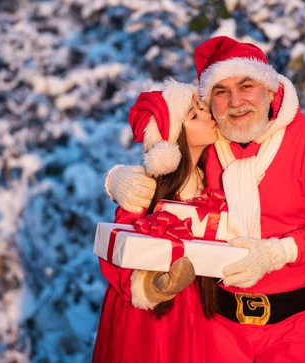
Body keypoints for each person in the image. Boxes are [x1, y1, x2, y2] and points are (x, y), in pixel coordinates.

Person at [105, 36, 305, 362]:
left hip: (299, 315)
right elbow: (167, 159)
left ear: (270, 89)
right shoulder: (209, 138)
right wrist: (118, 180)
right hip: (219, 316)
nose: (235, 101)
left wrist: (273, 254)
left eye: (246, 85)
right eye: (221, 92)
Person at [93, 80, 219, 363]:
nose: (209, 116)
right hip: (149, 316)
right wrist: (150, 287)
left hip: (199, 308)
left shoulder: (213, 181)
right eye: (194, 115)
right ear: (173, 140)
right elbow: (119, 246)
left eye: (203, 109)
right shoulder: (149, 188)